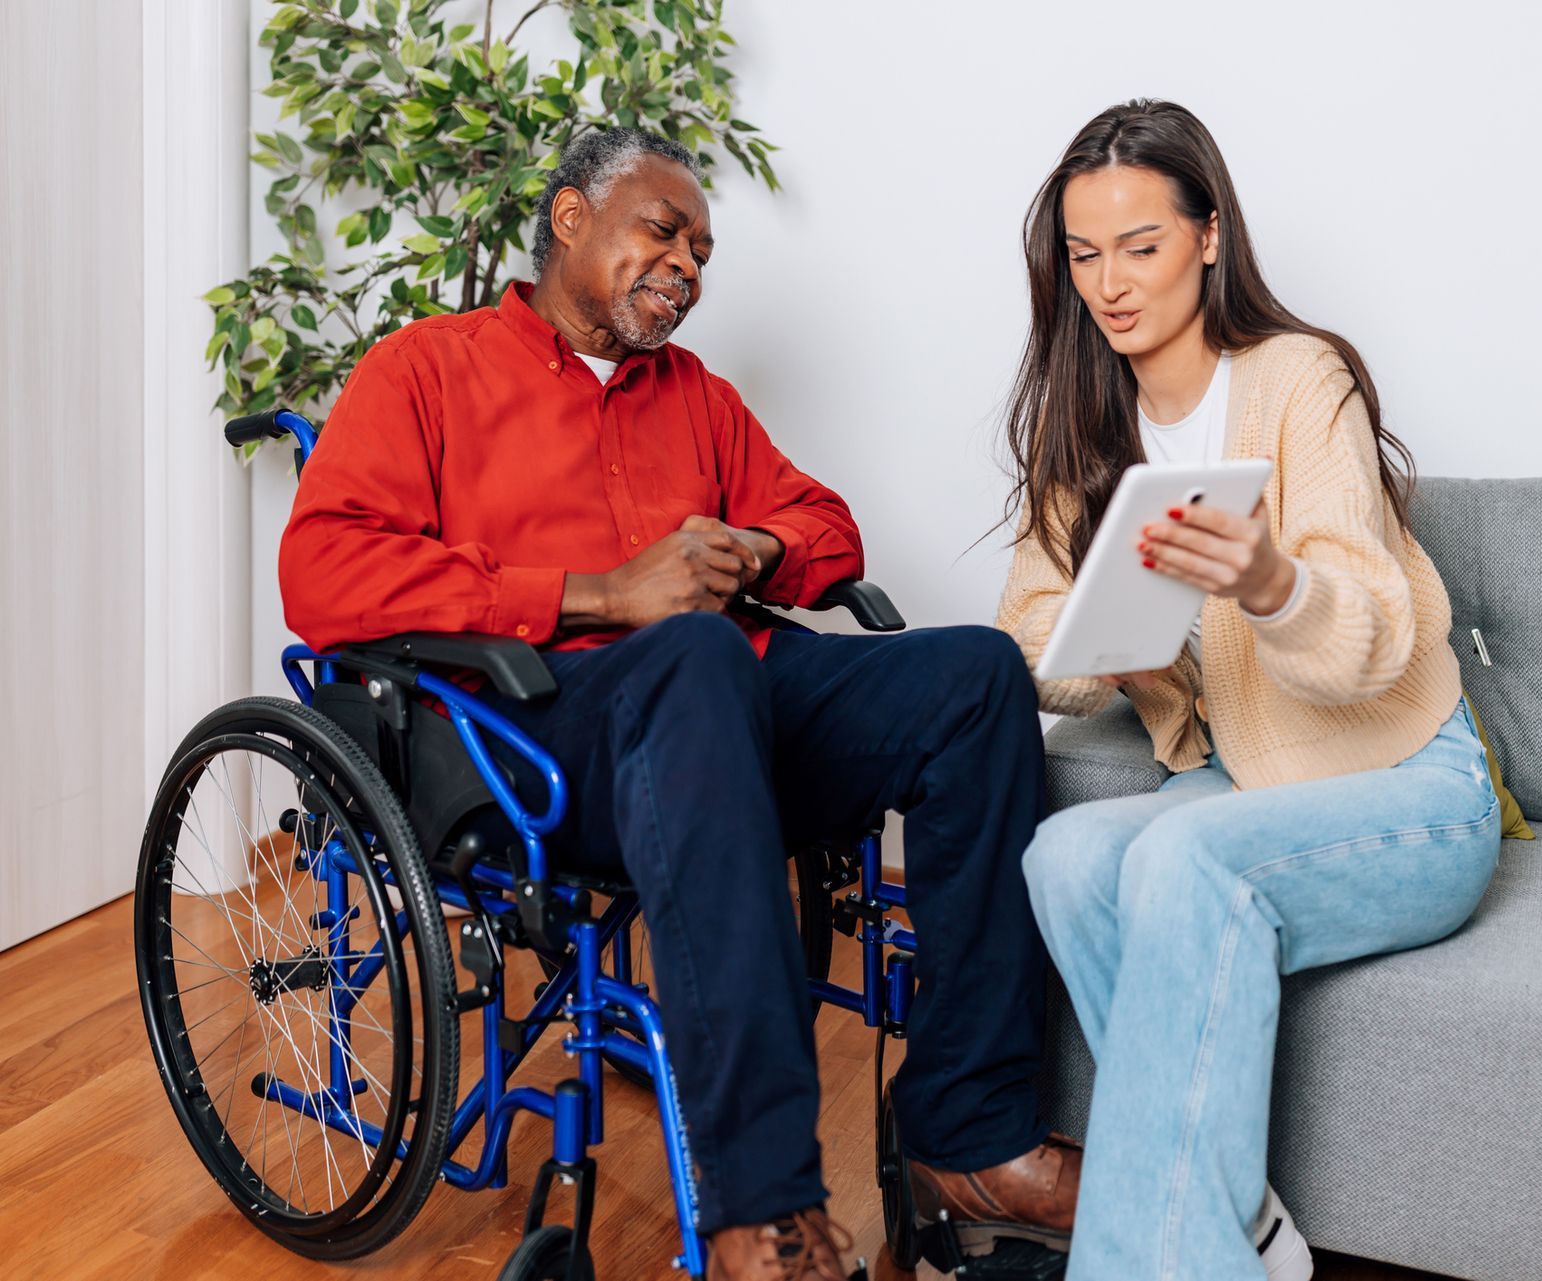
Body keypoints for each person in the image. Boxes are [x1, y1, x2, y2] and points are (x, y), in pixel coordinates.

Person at [280, 127, 1079, 1281]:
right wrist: (600, 592)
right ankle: (765, 1214)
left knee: (975, 676)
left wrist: (750, 548)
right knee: (694, 657)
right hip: (538, 729)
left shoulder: (695, 396)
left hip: (731, 699)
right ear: (569, 220)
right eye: (666, 230)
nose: (690, 265)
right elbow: (325, 573)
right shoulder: (425, 370)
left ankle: (971, 1131)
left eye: (704, 250)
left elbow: (826, 524)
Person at [998, 100, 1502, 1281]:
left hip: (1411, 787)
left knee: (1184, 861)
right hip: (1246, 785)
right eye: (1083, 256)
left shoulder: (1296, 380)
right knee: (1063, 859)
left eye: (1142, 246)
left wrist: (1275, 583)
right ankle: (1241, 1233)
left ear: (1210, 236)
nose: (1110, 285)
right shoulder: (1087, 427)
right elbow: (1027, 636)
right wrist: (1121, 650)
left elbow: (1370, 638)